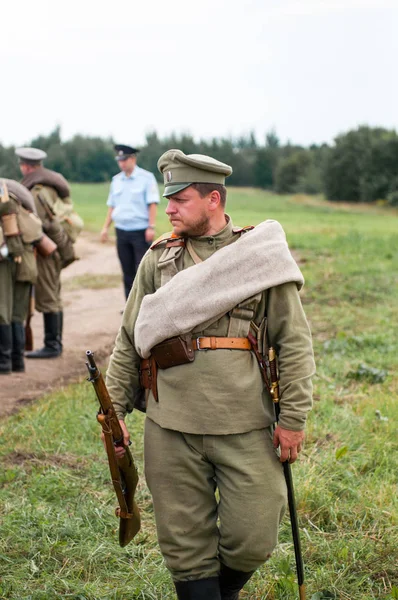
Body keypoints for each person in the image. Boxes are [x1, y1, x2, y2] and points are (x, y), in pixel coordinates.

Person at [105, 149, 316, 600]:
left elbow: (294, 342)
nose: (169, 208)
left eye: (180, 198)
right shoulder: (158, 260)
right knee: (184, 544)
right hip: (170, 423)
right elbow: (129, 338)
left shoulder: (261, 258)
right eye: (168, 199)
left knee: (254, 536)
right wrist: (116, 408)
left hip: (245, 422)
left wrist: (293, 419)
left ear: (213, 199)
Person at [16, 147, 82, 359]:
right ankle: (54, 343)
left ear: (26, 166)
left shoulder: (36, 193)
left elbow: (35, 224)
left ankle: (52, 345)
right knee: (53, 293)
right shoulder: (49, 188)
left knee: (48, 296)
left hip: (46, 250)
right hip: (55, 248)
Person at [100, 144, 160, 299]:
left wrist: (151, 227)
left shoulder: (146, 178)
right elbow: (112, 207)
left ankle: (145, 304)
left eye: (124, 159)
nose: (122, 163)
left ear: (133, 159)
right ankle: (129, 305)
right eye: (119, 160)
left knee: (143, 270)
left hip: (140, 231)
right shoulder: (116, 180)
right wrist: (105, 227)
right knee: (127, 271)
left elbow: (152, 204)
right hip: (121, 230)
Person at [0, 179, 43, 374]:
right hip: (25, 258)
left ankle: (4, 363)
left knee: (3, 311)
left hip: (6, 259)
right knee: (18, 312)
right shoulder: (19, 197)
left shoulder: (6, 198)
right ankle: (17, 362)